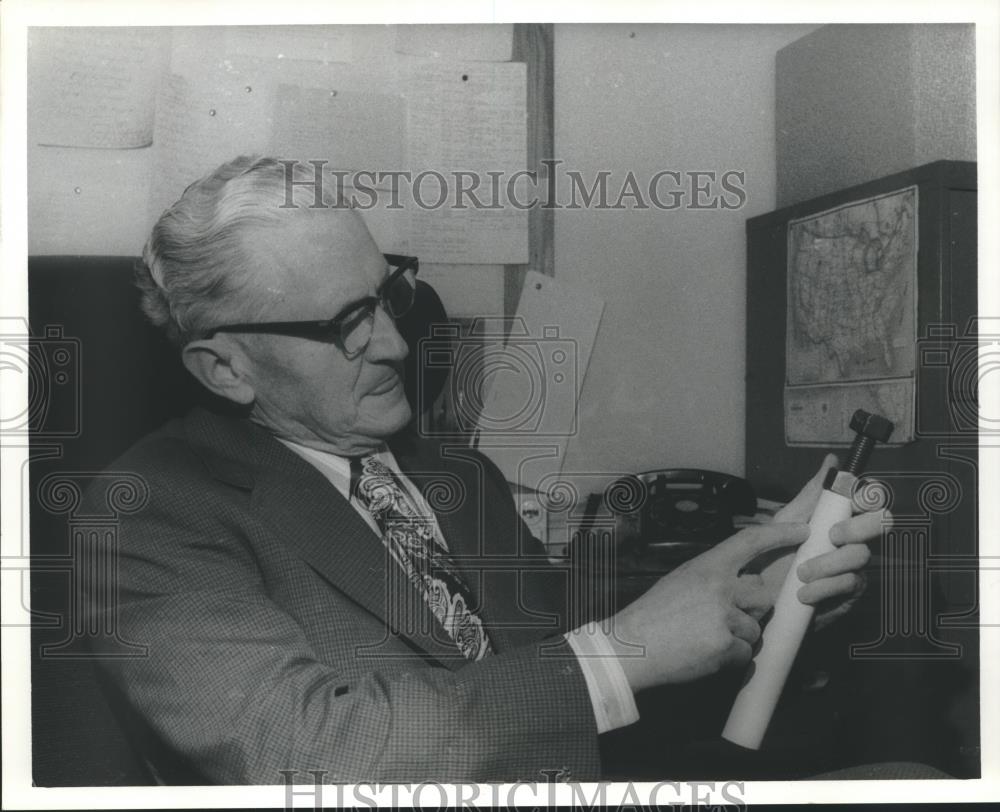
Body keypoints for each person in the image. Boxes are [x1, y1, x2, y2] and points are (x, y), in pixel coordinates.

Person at [84, 155, 886, 784]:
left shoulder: (463, 484)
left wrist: (765, 606)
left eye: (388, 296)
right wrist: (624, 648)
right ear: (225, 369)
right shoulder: (144, 516)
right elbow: (304, 753)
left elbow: (558, 695)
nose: (397, 344)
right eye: (345, 326)